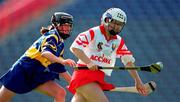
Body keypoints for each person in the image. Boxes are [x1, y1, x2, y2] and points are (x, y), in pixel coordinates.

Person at [68, 8, 148, 102]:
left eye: (119, 24)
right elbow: (75, 48)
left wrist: (138, 81)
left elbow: (128, 61)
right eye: (114, 22)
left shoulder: (118, 41)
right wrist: (89, 62)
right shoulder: (93, 32)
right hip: (84, 75)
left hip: (98, 77)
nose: (116, 26)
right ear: (106, 20)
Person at [0, 12, 76, 102]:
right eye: (64, 25)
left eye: (69, 26)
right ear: (56, 25)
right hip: (23, 70)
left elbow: (57, 67)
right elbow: (46, 54)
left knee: (60, 93)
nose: (67, 28)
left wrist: (74, 84)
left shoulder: (60, 43)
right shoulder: (52, 37)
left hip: (36, 74)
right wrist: (62, 61)